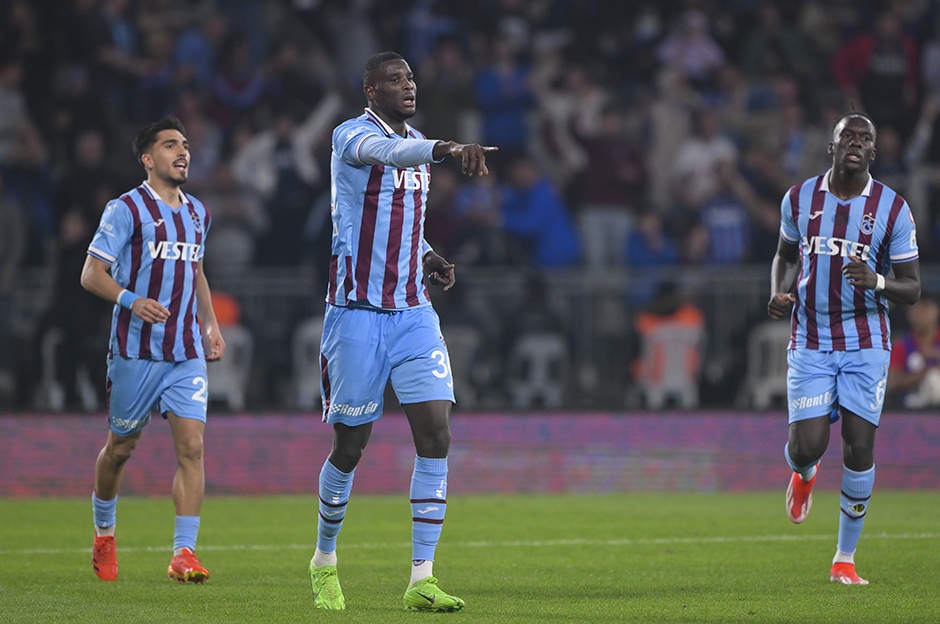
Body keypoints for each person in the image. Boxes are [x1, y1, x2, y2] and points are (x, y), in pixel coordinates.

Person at [308, 51, 495, 612]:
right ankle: (323, 560)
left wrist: (428, 254)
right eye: (394, 79)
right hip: (357, 312)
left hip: (413, 311)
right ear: (371, 90)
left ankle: (422, 578)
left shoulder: (417, 146)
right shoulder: (351, 136)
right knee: (351, 446)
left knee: (435, 434)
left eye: (411, 77)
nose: (408, 85)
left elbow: (405, 222)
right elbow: (388, 154)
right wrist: (447, 148)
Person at [768, 111, 920, 585]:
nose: (856, 142)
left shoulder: (893, 209)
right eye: (846, 136)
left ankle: (844, 559)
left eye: (864, 138)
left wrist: (877, 281)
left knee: (859, 447)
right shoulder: (799, 198)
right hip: (811, 338)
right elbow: (785, 256)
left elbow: (912, 287)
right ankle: (803, 473)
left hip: (865, 341)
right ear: (831, 147)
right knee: (806, 446)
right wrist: (778, 291)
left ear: (873, 151)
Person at [80, 116, 226, 583]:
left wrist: (210, 324)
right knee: (120, 449)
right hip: (135, 351)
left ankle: (184, 553)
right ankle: (104, 533)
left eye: (185, 145)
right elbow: (91, 274)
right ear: (147, 159)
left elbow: (196, 270)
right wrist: (131, 300)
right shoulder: (125, 209)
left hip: (185, 351)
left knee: (193, 448)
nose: (182, 152)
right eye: (169, 145)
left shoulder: (199, 212)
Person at [888, 298, 940, 408]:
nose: (920, 317)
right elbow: (892, 384)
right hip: (911, 409)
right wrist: (924, 370)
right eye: (916, 311)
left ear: (935, 312)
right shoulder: (901, 346)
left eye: (925, 310)